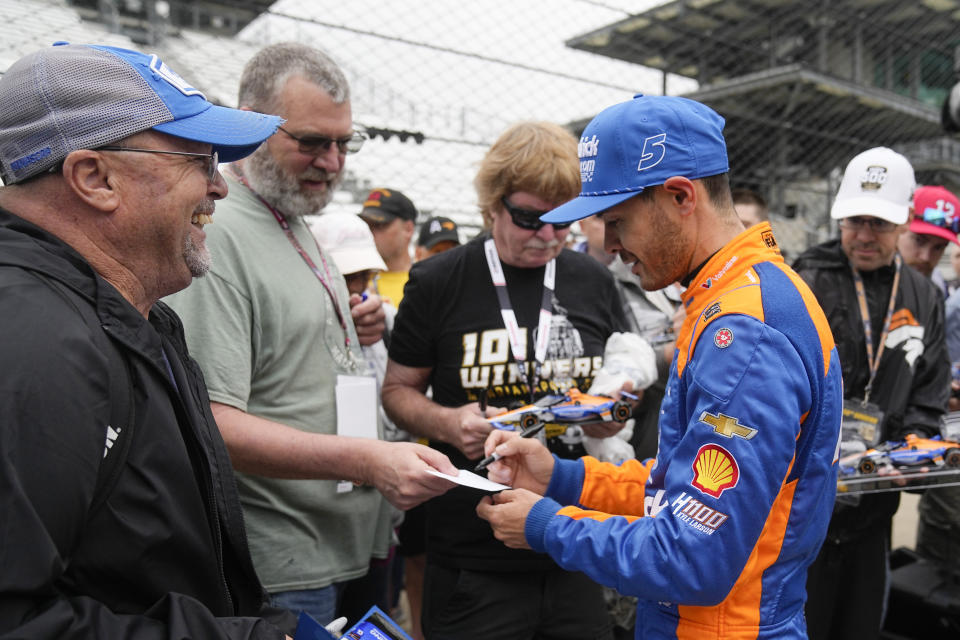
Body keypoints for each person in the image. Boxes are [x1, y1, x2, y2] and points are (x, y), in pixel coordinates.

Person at [475, 95, 843, 640]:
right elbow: (681, 492)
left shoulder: (744, 331)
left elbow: (692, 558)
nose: (611, 245)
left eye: (618, 222)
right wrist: (561, 476)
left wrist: (545, 525)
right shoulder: (732, 296)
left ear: (679, 196)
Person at [0, 42, 298, 638]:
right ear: (94, 177)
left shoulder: (129, 313)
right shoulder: (32, 340)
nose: (220, 188)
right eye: (199, 159)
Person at [164, 42, 456, 627]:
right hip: (286, 565)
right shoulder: (216, 235)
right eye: (312, 142)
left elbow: (289, 353)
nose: (333, 161)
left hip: (347, 545)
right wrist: (370, 460)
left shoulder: (298, 221)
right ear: (250, 126)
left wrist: (353, 328)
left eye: (345, 142)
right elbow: (211, 422)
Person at [382, 121, 639, 640]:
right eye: (530, 218)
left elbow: (623, 378)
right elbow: (396, 392)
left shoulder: (592, 280)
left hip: (573, 543)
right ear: (493, 205)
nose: (547, 236)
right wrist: (447, 422)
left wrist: (616, 413)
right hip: (476, 555)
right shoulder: (439, 280)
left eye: (563, 220)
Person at [792, 147, 950, 640]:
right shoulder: (806, 278)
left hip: (875, 507)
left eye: (878, 223)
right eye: (854, 220)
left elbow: (929, 392)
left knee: (860, 628)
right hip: (802, 509)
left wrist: (912, 454)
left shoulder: (924, 296)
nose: (863, 235)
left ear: (902, 221)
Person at [360, 187, 417, 305]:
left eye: (379, 225)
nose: (370, 233)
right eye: (366, 225)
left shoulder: (426, 281)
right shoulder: (352, 279)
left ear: (408, 229)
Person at [897, 185, 960, 293]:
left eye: (938, 247)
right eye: (919, 241)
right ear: (898, 228)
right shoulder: (862, 282)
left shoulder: (934, 296)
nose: (926, 257)